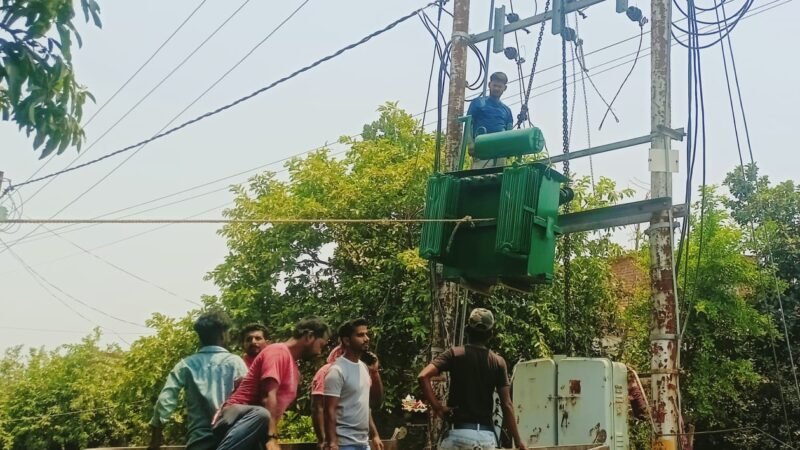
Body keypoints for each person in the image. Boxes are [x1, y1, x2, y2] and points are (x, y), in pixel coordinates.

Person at [213, 317, 331, 450]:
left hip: (255, 429)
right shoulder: (277, 352)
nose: (319, 351)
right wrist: (271, 438)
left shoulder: (294, 370)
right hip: (235, 420)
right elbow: (267, 396)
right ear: (309, 336)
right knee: (262, 414)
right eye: (320, 345)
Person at [418, 308, 527, 450]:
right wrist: (518, 442)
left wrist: (438, 408)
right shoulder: (498, 362)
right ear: (490, 334)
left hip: (458, 434)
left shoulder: (455, 354)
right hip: (485, 438)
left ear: (467, 330)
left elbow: (423, 376)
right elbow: (506, 405)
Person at [148, 310, 248, 450]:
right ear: (223, 334)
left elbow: (164, 400)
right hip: (231, 439)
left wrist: (155, 440)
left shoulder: (186, 364)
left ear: (200, 336)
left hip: (199, 441)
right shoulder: (235, 363)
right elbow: (248, 397)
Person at [324, 318, 384, 450]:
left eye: (366, 334)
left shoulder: (364, 367)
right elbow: (329, 410)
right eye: (360, 335)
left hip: (363, 443)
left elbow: (370, 404)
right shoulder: (337, 371)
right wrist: (332, 442)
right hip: (344, 444)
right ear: (346, 341)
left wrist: (374, 435)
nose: (366, 339)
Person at [311, 345, 384, 449]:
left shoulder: (360, 370)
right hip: (341, 441)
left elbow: (367, 405)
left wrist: (375, 435)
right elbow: (318, 407)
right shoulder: (329, 371)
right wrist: (324, 439)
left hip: (361, 441)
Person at [467, 72, 514, 169]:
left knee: (498, 176)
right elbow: (468, 124)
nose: (496, 89)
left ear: (504, 88)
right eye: (494, 85)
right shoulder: (478, 103)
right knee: (479, 175)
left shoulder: (507, 110)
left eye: (499, 86)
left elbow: (509, 132)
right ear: (489, 85)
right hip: (482, 147)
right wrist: (470, 143)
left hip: (501, 151)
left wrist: (509, 149)